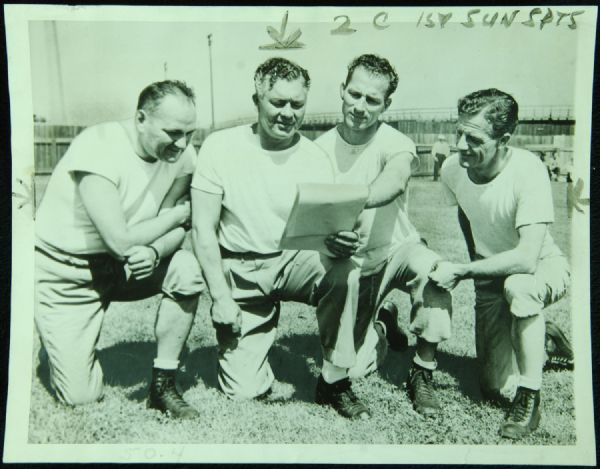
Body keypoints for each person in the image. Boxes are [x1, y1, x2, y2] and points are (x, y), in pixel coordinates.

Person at [191, 57, 373, 419]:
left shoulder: (316, 156)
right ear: (256, 100)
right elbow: (202, 229)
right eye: (278, 102)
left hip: (294, 260)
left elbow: (330, 228)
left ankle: (334, 380)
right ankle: (252, 350)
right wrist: (221, 298)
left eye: (297, 104)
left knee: (344, 270)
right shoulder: (219, 146)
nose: (288, 113)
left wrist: (340, 241)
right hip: (240, 268)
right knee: (243, 393)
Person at [35, 80, 204, 419]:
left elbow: (176, 230)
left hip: (129, 267)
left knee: (185, 269)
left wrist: (156, 251)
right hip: (68, 271)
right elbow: (119, 240)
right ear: (141, 118)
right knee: (81, 397)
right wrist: (177, 214)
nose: (182, 143)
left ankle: (163, 385)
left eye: (189, 133)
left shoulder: (183, 156)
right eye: (172, 132)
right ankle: (57, 348)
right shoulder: (98, 146)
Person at [315, 54, 453, 417]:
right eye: (355, 94)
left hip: (399, 250)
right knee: (355, 368)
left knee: (434, 270)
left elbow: (394, 180)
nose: (360, 107)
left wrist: (356, 201)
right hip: (358, 265)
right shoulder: (318, 150)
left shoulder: (397, 142)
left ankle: (423, 372)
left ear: (386, 104)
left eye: (372, 100)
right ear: (341, 91)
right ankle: (383, 322)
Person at [431, 88, 571, 439]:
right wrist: (475, 256)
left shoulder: (528, 169)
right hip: (490, 272)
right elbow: (465, 210)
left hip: (542, 268)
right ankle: (544, 340)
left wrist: (464, 272)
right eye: (458, 132)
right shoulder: (453, 168)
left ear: (503, 139)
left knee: (519, 287)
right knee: (492, 387)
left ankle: (529, 397)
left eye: (473, 138)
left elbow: (526, 257)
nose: (460, 144)